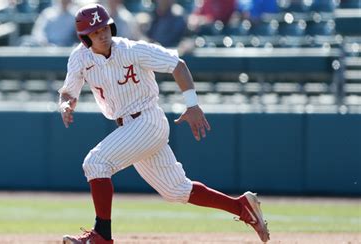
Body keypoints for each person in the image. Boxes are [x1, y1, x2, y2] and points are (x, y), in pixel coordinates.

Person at [59, 4, 270, 244]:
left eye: (105, 28)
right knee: (177, 190)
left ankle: (101, 236)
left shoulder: (131, 49)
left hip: (147, 120)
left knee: (96, 163)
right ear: (85, 38)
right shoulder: (79, 58)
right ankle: (242, 207)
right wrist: (66, 104)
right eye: (96, 32)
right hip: (129, 127)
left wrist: (192, 105)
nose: (103, 34)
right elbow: (68, 92)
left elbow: (177, 65)